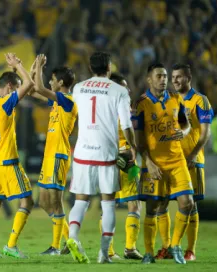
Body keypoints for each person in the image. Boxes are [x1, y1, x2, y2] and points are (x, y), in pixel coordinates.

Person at [66, 52, 137, 264]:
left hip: (82, 152)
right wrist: (133, 147)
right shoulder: (120, 90)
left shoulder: (78, 88)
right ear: (109, 67)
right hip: (106, 152)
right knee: (108, 203)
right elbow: (126, 125)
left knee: (81, 200)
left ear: (90, 67)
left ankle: (72, 237)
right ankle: (104, 254)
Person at [135, 63, 193, 265]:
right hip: (155, 164)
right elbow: (139, 139)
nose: (164, 79)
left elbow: (185, 123)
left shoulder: (176, 99)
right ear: (149, 79)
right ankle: (149, 252)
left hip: (177, 160)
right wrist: (148, 163)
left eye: (165, 76)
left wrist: (184, 132)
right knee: (153, 207)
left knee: (188, 203)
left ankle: (175, 246)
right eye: (159, 76)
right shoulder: (141, 104)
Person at [0, 53, 34, 258]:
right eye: (16, 87)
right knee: (27, 202)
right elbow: (29, 83)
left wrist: (12, 72)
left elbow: (13, 84)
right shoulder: (6, 103)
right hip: (7, 161)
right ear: (11, 87)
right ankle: (11, 245)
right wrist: (18, 64)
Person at [31, 55, 77, 255]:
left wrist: (40, 67)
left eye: (52, 79)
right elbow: (33, 90)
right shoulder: (57, 102)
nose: (50, 82)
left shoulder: (67, 101)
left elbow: (40, 88)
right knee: (43, 201)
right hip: (49, 156)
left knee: (56, 202)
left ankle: (56, 246)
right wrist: (32, 69)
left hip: (59, 155)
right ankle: (69, 239)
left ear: (60, 82)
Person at [171, 63, 213, 261]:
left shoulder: (200, 100)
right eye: (173, 77)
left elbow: (206, 132)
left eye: (179, 77)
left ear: (188, 78)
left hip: (192, 160)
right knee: (164, 205)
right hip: (173, 161)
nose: (175, 80)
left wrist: (194, 154)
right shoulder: (171, 100)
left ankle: (190, 250)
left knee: (192, 204)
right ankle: (168, 247)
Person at [104, 73, 143, 260]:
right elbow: (128, 130)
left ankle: (109, 251)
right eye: (124, 86)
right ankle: (130, 248)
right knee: (134, 203)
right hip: (128, 160)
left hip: (107, 161)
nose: (128, 90)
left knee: (108, 205)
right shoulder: (123, 106)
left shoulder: (101, 109)